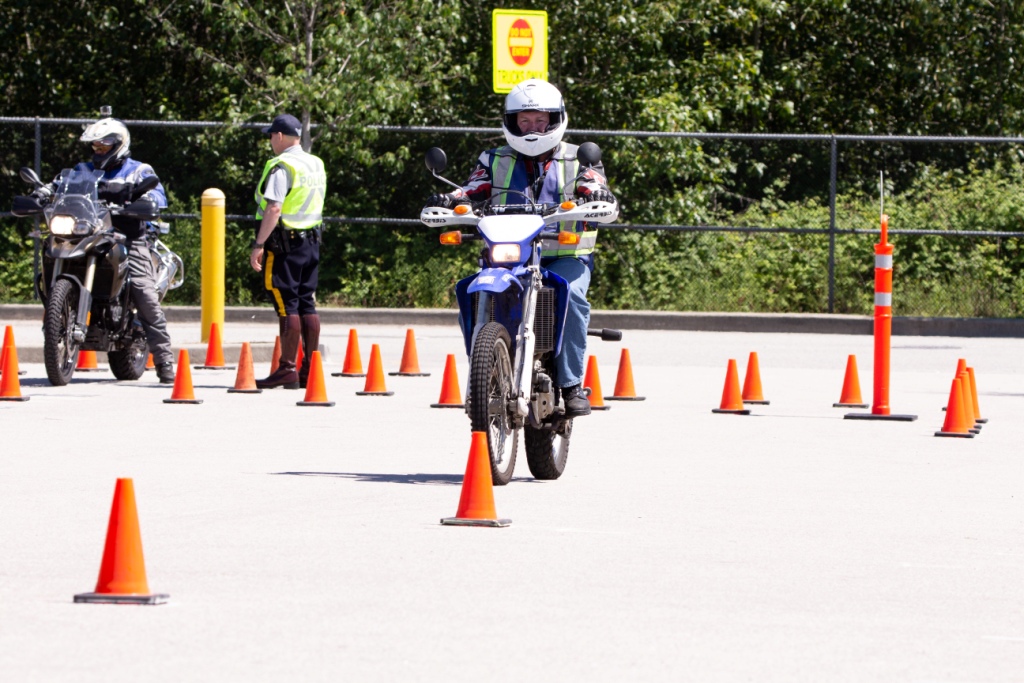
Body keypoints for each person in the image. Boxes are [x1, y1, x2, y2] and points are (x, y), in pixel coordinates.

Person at [425, 79, 616, 418]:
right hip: (511, 254)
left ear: (555, 120)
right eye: (524, 121)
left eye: (540, 120)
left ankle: (571, 385)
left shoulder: (578, 159)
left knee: (570, 295)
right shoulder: (494, 158)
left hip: (564, 256)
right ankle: (486, 372)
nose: (532, 128)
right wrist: (448, 199)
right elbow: (472, 189)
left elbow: (594, 184)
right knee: (470, 288)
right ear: (512, 123)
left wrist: (599, 195)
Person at [36, 117, 176, 383]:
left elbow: (157, 195)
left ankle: (164, 360)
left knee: (145, 293)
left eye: (104, 145)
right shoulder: (80, 170)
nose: (98, 150)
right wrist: (41, 193)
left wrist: (146, 200)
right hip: (86, 233)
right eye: (95, 146)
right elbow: (57, 186)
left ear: (119, 144)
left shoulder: (138, 170)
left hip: (127, 237)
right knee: (48, 252)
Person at [249, 113, 326, 389]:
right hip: (312, 242)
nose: (270, 141)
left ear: (280, 136)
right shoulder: (315, 163)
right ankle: (310, 370)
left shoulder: (283, 166)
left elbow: (274, 207)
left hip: (286, 243)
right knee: (307, 302)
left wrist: (259, 244)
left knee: (287, 304)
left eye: (271, 136)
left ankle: (287, 369)